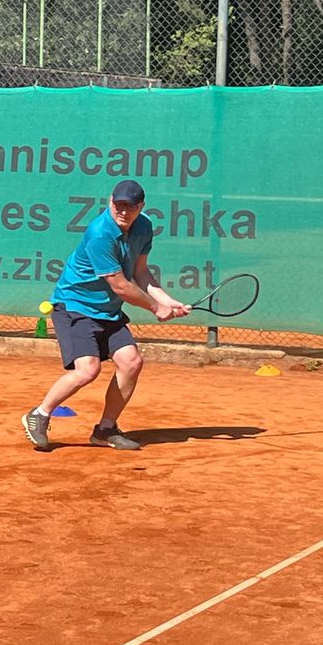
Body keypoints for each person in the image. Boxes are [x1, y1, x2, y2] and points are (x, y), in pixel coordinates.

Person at [22, 179, 190, 452]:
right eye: (118, 205)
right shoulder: (100, 233)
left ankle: (106, 429)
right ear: (110, 202)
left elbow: (141, 273)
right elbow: (120, 285)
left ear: (141, 207)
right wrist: (156, 308)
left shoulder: (144, 226)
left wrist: (167, 300)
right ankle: (39, 415)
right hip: (75, 305)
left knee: (132, 362)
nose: (123, 212)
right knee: (88, 370)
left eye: (130, 207)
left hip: (107, 311)